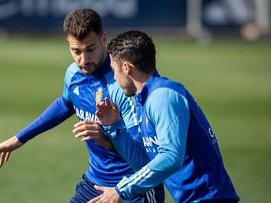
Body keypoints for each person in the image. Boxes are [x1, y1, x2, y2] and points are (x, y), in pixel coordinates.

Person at [0, 9, 164, 203]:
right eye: (76, 51)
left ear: (103, 39)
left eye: (90, 49)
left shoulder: (125, 83)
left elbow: (146, 156)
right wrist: (19, 138)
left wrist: (107, 139)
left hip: (134, 189)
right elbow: (65, 103)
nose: (83, 60)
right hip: (94, 184)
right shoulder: (73, 74)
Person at [88, 30, 240, 203]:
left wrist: (121, 190)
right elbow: (145, 164)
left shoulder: (163, 97)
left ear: (126, 67)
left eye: (114, 70)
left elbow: (171, 158)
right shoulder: (146, 101)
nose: (114, 77)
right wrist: (114, 127)